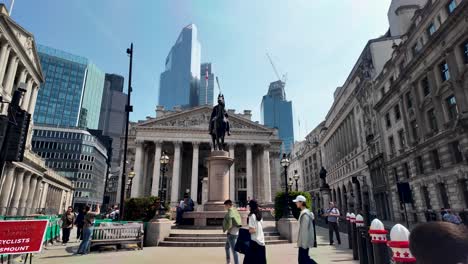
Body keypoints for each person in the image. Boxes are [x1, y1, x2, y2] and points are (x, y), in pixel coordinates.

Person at [294, 195, 317, 264]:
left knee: (304, 260)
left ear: (301, 202)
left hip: (304, 242)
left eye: (297, 202)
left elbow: (304, 230)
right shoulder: (305, 212)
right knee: (304, 259)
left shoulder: (305, 214)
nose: (296, 203)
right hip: (304, 242)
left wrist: (303, 244)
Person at [244, 200, 266, 264]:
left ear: (251, 206)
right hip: (261, 241)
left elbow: (253, 230)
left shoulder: (252, 216)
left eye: (249, 205)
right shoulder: (259, 215)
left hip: (254, 242)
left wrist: (246, 231)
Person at [223, 200, 242, 264]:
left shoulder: (230, 212)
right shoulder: (235, 210)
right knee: (227, 247)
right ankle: (228, 261)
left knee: (234, 251)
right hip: (236, 232)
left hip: (231, 233)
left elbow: (230, 224)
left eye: (225, 206)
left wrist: (228, 231)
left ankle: (236, 263)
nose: (225, 207)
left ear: (228, 205)